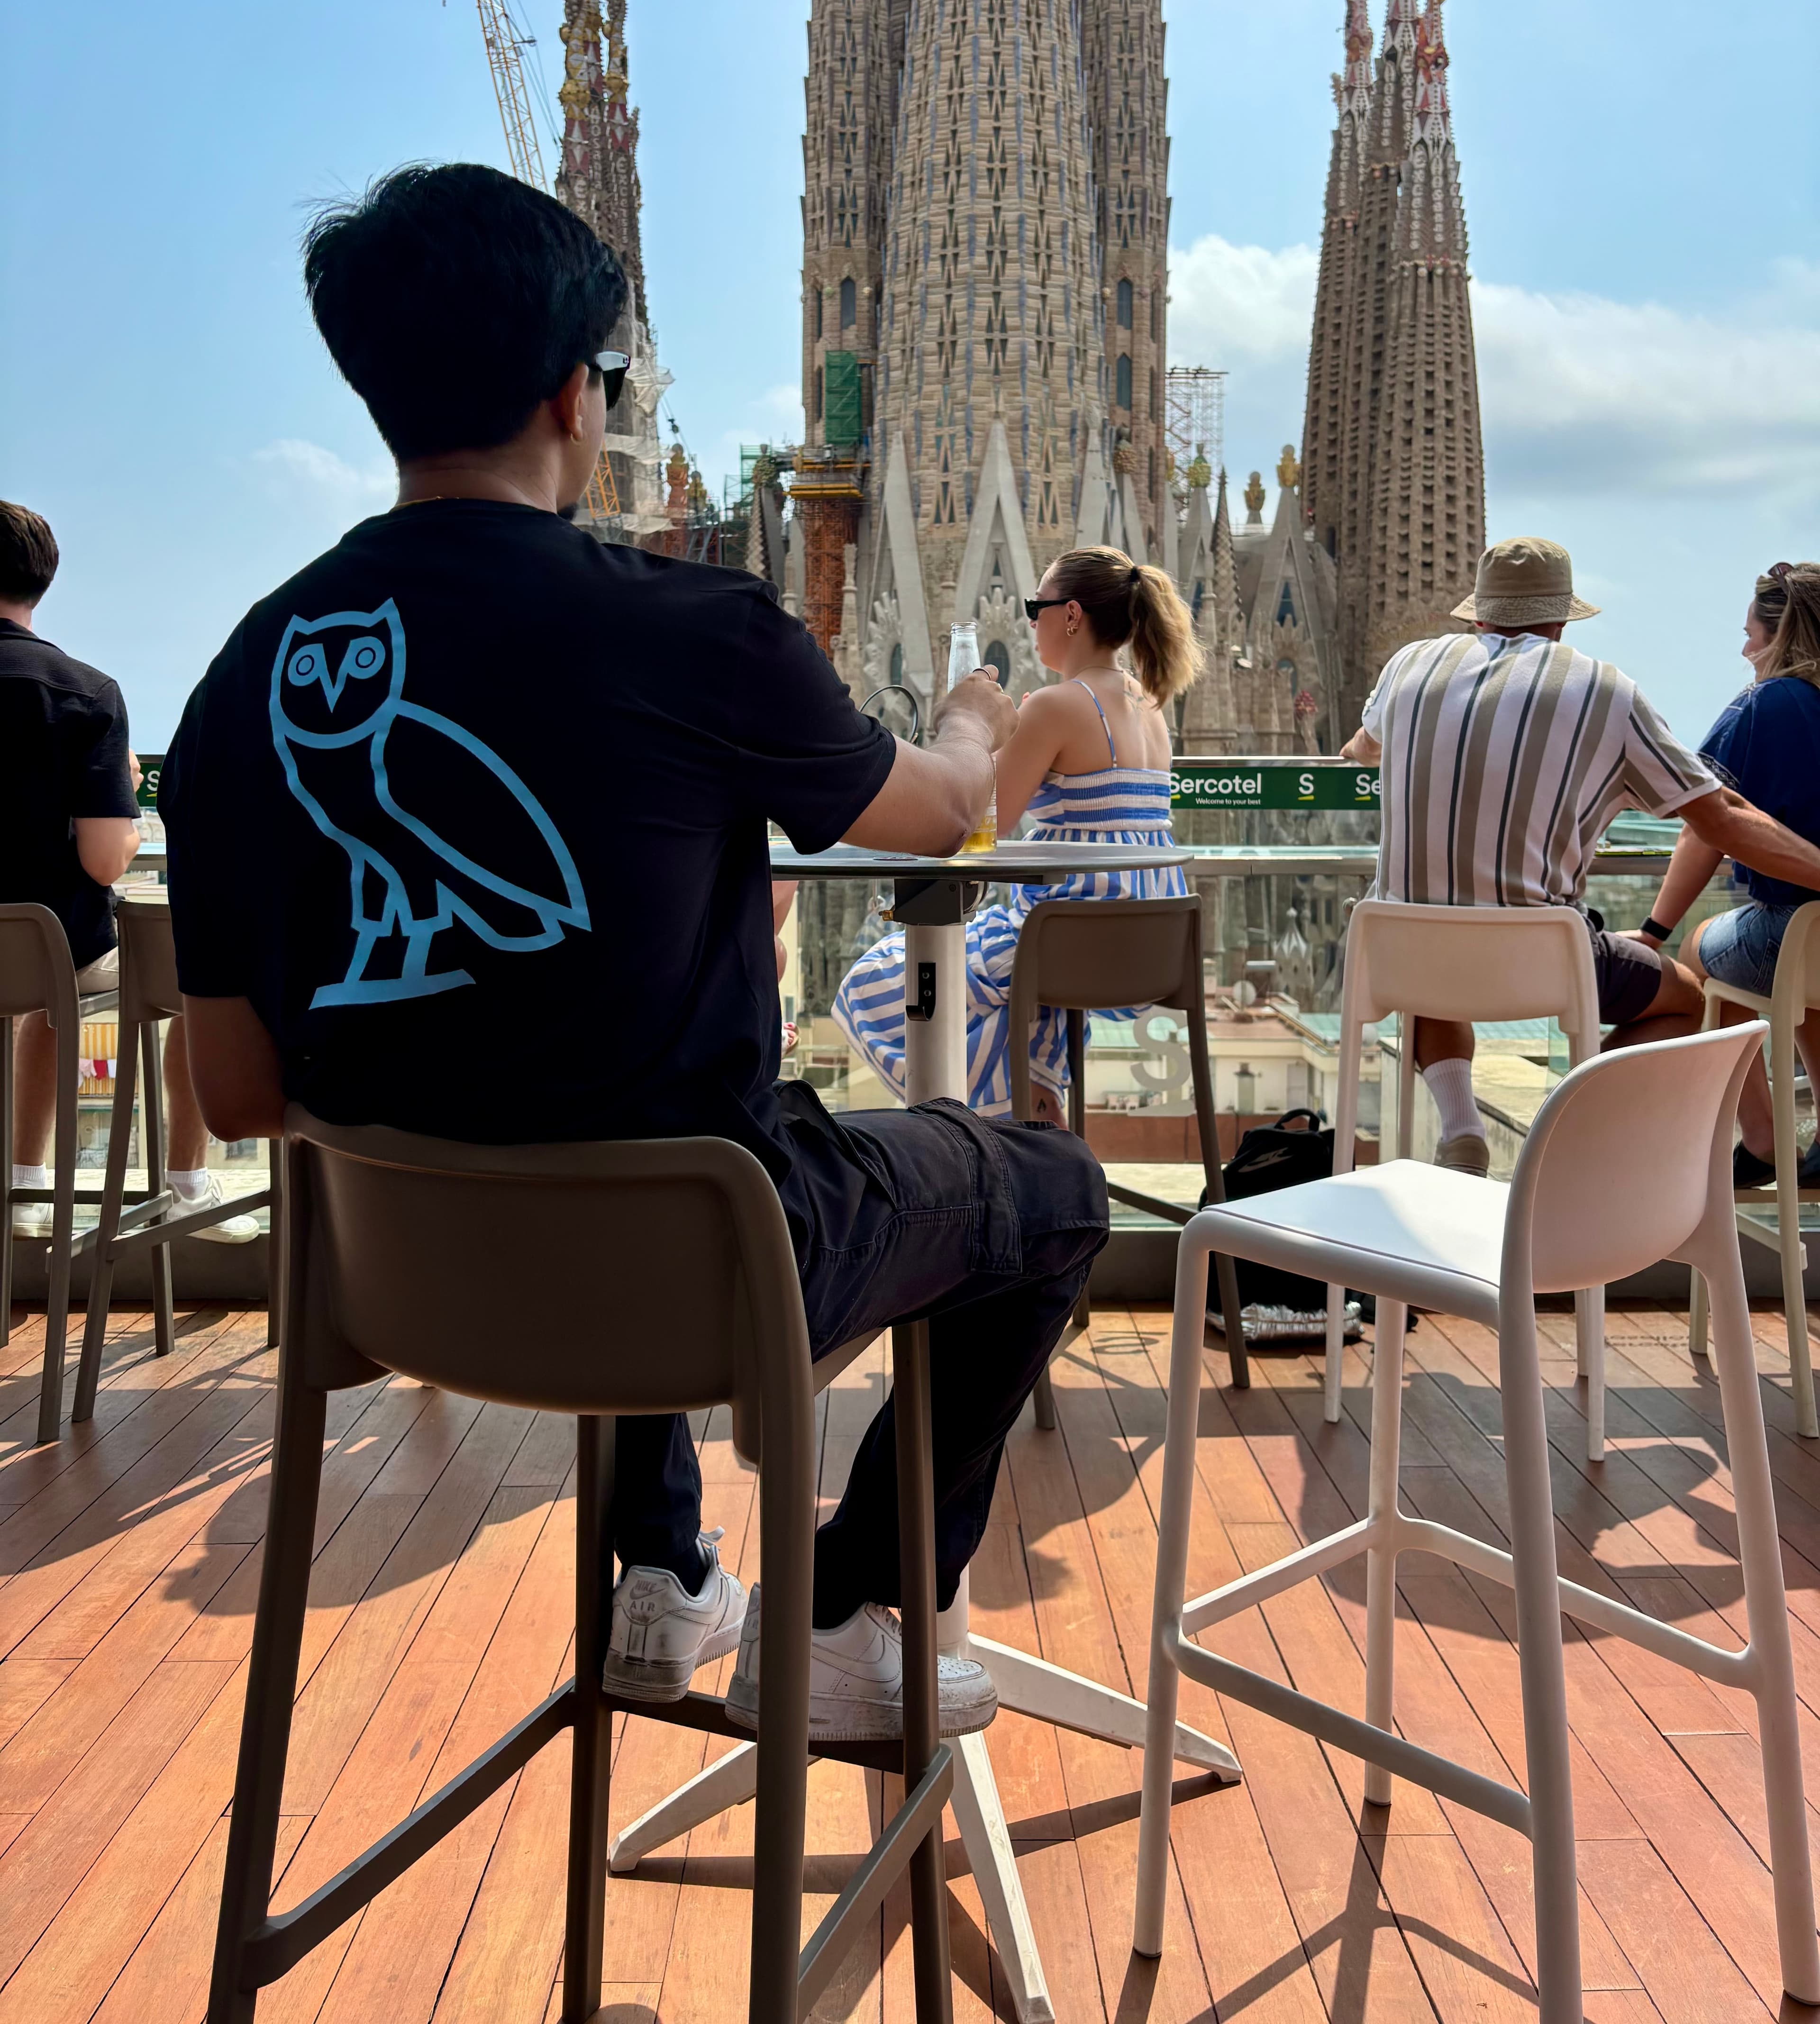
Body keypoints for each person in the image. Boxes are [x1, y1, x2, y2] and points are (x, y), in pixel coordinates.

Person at [161, 163, 1107, 1741]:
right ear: (571, 397)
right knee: (1050, 1192)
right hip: (716, 1271)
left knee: (616, 1107)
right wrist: (970, 712)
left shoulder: (242, 680)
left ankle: (656, 1572)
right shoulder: (697, 630)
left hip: (409, 1296)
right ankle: (861, 1616)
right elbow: (938, 820)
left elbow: (239, 1093)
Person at [1340, 535, 1820, 1175]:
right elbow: (1719, 816)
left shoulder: (1409, 666)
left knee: (1439, 946)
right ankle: (1560, 1125)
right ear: (1563, 619)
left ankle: (1461, 1126)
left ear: (1477, 614)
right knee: (1686, 994)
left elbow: (1361, 749)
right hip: (1546, 959)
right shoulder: (1603, 689)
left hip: (1397, 954)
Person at [835, 547, 1200, 1121]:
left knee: (879, 977)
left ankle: (976, 1147)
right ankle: (1037, 1127)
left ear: (1072, 615)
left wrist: (981, 731)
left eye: (1038, 606)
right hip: (1154, 942)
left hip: (1071, 942)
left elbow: (975, 823)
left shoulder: (1056, 706)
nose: (1031, 621)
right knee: (1023, 999)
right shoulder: (1149, 705)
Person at [0, 501, 257, 1244]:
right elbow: (106, 861)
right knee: (193, 972)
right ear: (45, 580)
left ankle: (24, 1182)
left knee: (49, 983)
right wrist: (114, 782)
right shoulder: (85, 693)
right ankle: (183, 1184)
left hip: (37, 958)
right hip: (52, 956)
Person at [1637, 562, 1820, 1187]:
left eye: (1752, 634)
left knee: (1704, 952)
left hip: (1797, 927)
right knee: (1806, 981)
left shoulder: (1764, 704)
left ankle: (1765, 1140)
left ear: (1782, 635)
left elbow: (1703, 825)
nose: (1746, 648)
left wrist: (1655, 931)